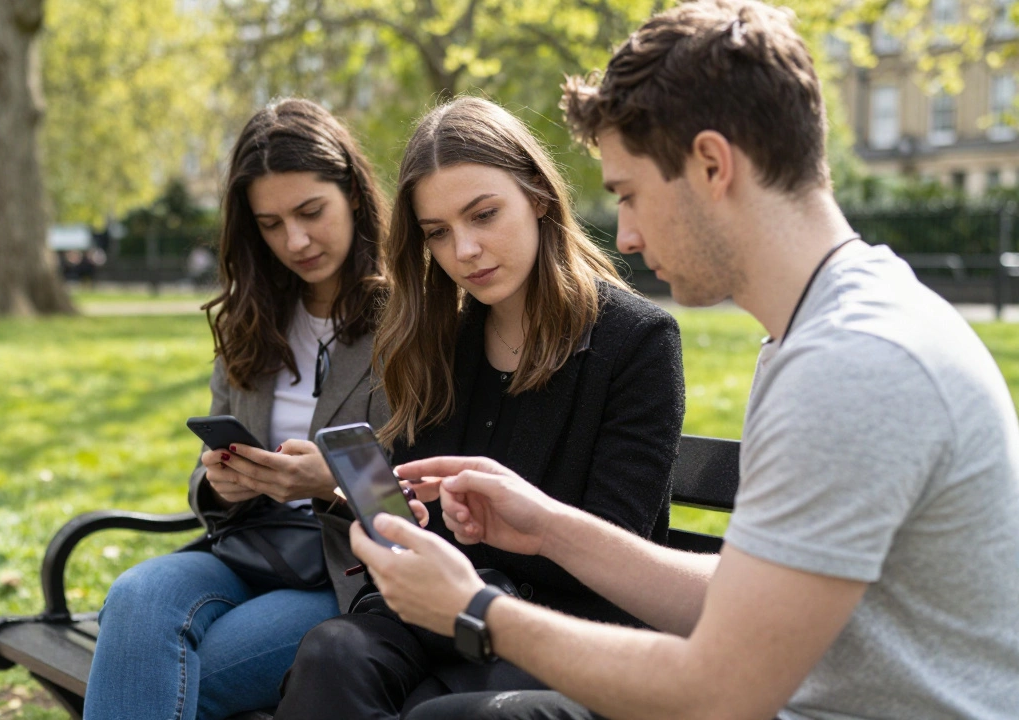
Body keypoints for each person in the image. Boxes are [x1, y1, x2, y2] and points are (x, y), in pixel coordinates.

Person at [344, 2, 1019, 719]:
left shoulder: (856, 363)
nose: (625, 237)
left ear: (711, 165)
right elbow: (741, 598)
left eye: (630, 194)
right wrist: (547, 524)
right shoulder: (819, 333)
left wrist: (476, 609)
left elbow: (719, 691)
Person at [274, 97, 686, 719]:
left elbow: (616, 547)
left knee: (444, 709)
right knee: (333, 651)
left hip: (563, 630)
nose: (464, 250)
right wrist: (388, 521)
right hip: (437, 614)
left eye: (484, 214)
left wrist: (480, 581)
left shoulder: (636, 342)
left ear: (539, 197)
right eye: (438, 233)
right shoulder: (439, 339)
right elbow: (416, 512)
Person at [84, 98, 393, 720]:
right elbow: (206, 472)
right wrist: (223, 481)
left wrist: (329, 482)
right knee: (138, 594)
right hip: (248, 546)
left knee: (167, 677)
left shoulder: (409, 321)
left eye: (311, 212)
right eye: (271, 224)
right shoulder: (251, 320)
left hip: (348, 569)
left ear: (354, 194)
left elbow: (427, 482)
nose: (295, 241)